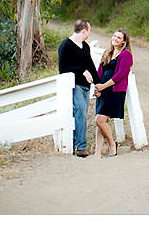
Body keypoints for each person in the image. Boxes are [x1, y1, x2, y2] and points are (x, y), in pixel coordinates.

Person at [57, 19, 100, 157]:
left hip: (86, 86)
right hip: (74, 85)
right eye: (89, 31)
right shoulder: (66, 46)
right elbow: (63, 69)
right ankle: (81, 147)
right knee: (80, 111)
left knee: (81, 115)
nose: (89, 33)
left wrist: (98, 84)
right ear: (84, 31)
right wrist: (81, 70)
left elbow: (91, 66)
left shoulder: (85, 47)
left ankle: (76, 142)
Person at [93, 28, 134, 158]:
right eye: (114, 36)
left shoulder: (126, 55)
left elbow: (120, 75)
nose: (115, 39)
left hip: (114, 91)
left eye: (119, 38)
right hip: (103, 91)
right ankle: (97, 152)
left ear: (123, 42)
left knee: (100, 120)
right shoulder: (107, 53)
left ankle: (112, 145)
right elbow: (99, 72)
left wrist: (103, 86)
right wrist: (97, 88)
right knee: (99, 121)